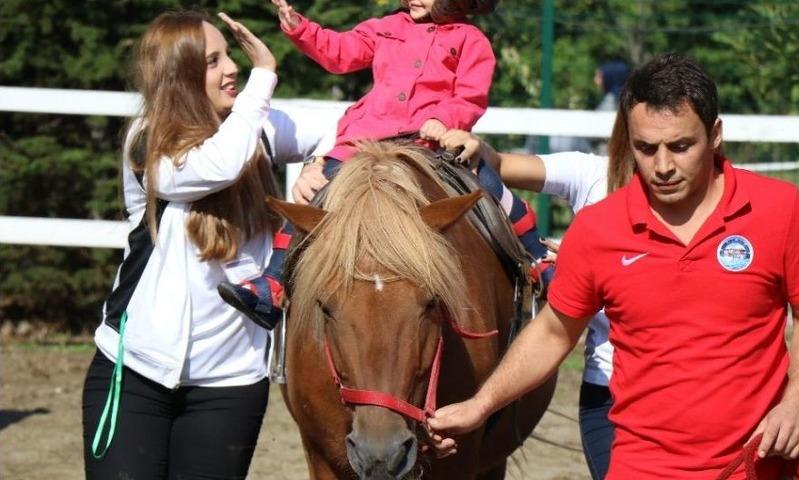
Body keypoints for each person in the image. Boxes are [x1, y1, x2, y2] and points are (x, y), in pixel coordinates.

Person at [427, 54, 799, 480]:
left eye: (680, 146)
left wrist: (798, 403)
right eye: (646, 148)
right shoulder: (599, 228)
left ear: (715, 135)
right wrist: (480, 405)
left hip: (758, 465)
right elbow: (553, 332)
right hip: (642, 467)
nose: (662, 166)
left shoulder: (777, 208)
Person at [82, 11, 328, 479]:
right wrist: (264, 76)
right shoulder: (146, 140)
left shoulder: (256, 128)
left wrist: (321, 163)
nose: (232, 68)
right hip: (133, 373)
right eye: (213, 61)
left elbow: (348, 128)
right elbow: (214, 166)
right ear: (180, 75)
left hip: (231, 384)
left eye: (228, 56)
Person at [218, 0, 554, 328]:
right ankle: (272, 284)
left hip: (428, 144)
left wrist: (443, 120)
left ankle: (538, 259)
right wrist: (300, 28)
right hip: (363, 142)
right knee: (314, 196)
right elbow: (340, 52)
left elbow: (470, 96)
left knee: (488, 185)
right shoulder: (385, 27)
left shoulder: (472, 40)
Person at [439, 129, 614, 479]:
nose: (662, 164)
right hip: (611, 390)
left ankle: (536, 256)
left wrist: (590, 263)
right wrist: (477, 147)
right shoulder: (594, 174)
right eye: (645, 145)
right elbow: (498, 163)